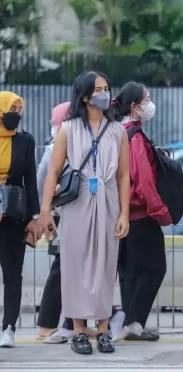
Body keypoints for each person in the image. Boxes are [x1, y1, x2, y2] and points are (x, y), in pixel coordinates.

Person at [38, 71, 130, 355]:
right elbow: (53, 171)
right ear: (85, 95)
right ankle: (78, 329)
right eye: (98, 89)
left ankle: (103, 329)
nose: (105, 94)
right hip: (77, 202)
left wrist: (124, 213)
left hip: (109, 201)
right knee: (75, 264)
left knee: (106, 264)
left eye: (106, 88)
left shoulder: (118, 130)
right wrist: (45, 210)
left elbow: (124, 175)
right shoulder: (68, 129)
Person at [109, 82, 170, 342]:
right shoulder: (133, 135)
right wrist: (160, 210)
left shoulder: (117, 131)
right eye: (147, 99)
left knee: (130, 269)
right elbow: (142, 179)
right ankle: (133, 321)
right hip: (140, 211)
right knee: (156, 267)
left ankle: (129, 322)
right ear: (134, 106)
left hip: (121, 211)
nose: (150, 103)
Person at [0, 91, 40, 348]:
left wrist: (35, 216)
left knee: (13, 273)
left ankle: (9, 327)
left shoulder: (25, 141)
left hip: (14, 214)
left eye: (19, 108)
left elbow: (31, 181)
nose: (17, 113)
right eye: (12, 108)